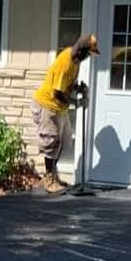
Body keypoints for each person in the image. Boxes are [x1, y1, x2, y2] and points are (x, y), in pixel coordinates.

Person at [31, 32, 99, 193]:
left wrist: (78, 88)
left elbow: (68, 84)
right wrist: (76, 102)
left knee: (64, 140)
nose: (89, 57)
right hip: (47, 104)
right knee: (51, 142)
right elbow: (57, 93)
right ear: (83, 51)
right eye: (89, 54)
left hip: (58, 107)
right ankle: (48, 180)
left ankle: (53, 175)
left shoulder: (75, 61)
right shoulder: (65, 63)